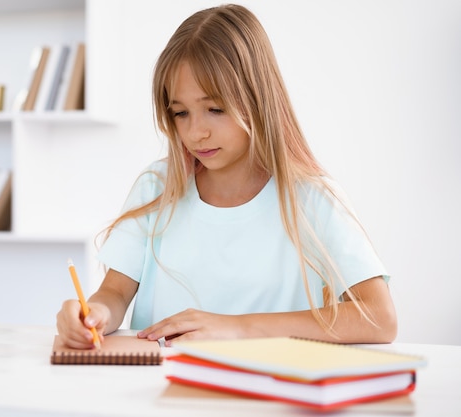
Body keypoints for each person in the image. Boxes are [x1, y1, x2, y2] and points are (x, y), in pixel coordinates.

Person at [56, 3, 397, 349]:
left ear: (256, 98)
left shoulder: (311, 197)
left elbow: (378, 318)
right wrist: (92, 314)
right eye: (180, 113)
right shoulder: (157, 187)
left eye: (215, 109)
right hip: (161, 392)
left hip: (265, 391)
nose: (196, 132)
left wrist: (236, 327)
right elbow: (114, 293)